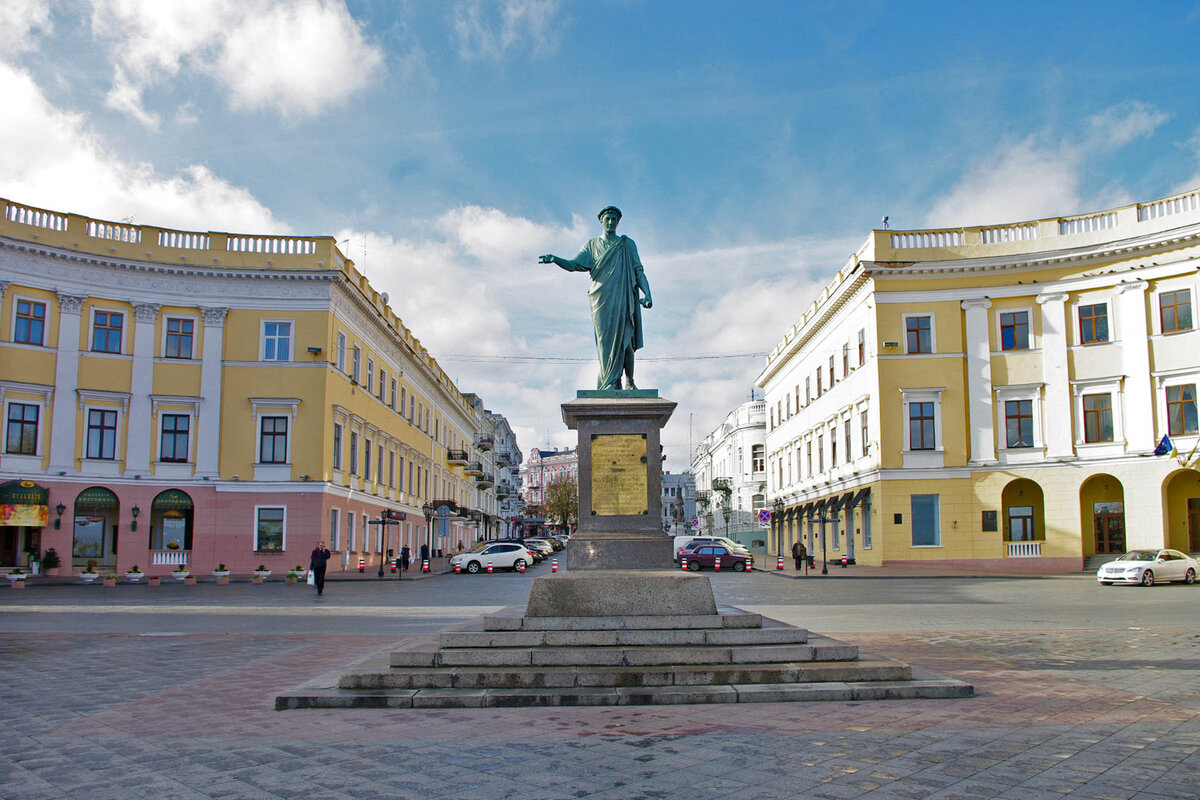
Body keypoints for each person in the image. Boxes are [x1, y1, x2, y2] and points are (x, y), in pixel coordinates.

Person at [540, 206, 653, 390]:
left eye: (614, 219)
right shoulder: (591, 245)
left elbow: (638, 271)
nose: (610, 222)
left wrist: (648, 294)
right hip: (601, 300)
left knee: (626, 341)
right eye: (607, 219)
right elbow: (574, 264)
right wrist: (555, 259)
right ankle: (609, 382)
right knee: (605, 343)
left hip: (623, 297)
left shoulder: (627, 244)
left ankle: (629, 381)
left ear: (618, 222)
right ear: (601, 221)